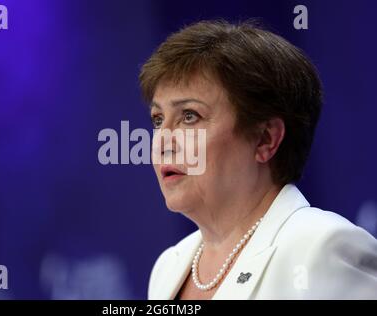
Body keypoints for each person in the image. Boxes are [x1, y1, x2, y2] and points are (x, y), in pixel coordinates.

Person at [139, 20, 377, 299]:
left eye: (189, 116)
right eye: (158, 119)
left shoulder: (322, 249)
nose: (163, 142)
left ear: (265, 139)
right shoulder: (169, 267)